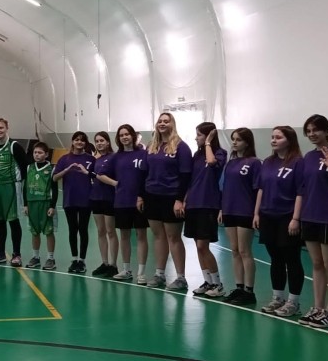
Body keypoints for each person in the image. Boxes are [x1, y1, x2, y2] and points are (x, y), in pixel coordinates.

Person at [254, 126, 304, 317]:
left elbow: (300, 192)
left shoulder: (298, 162)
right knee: (275, 259)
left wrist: (295, 218)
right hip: (268, 216)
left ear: (289, 140)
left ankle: (293, 302)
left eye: (278, 137)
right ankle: (278, 298)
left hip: (287, 217)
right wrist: (257, 213)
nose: (273, 140)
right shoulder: (268, 162)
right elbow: (261, 189)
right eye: (272, 137)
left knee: (292, 259)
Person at [139, 112, 193, 290]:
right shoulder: (152, 146)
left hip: (171, 197)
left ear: (172, 124)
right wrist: (141, 195)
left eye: (166, 121)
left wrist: (180, 199)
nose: (162, 124)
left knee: (173, 237)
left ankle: (181, 278)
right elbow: (144, 173)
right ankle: (159, 274)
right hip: (152, 196)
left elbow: (186, 175)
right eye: (160, 121)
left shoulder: (181, 147)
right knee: (158, 236)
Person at [298, 114, 328, 328]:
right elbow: (303, 187)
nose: (312, 134)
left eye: (316, 129)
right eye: (308, 131)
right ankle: (317, 307)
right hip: (309, 216)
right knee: (316, 264)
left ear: (326, 130)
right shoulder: (308, 157)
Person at [94, 125, 148, 282]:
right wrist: (116, 184)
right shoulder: (116, 157)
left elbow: (148, 175)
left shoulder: (143, 154)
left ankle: (141, 272)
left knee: (141, 235)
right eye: (121, 135)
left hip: (139, 202)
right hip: (121, 202)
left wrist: (142, 195)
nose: (124, 137)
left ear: (132, 136)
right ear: (118, 138)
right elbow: (100, 174)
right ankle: (126, 270)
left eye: (127, 134)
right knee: (124, 236)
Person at [184, 123, 228, 297]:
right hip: (193, 204)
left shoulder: (219, 153)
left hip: (208, 204)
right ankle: (208, 281)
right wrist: (185, 200)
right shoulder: (197, 155)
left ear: (209, 136)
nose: (196, 138)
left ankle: (218, 284)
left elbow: (211, 163)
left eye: (199, 135)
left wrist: (208, 143)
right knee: (198, 246)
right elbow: (191, 180)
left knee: (203, 245)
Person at [218, 128, 260, 305]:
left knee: (244, 250)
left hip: (245, 211)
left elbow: (258, 190)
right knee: (234, 250)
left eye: (239, 140)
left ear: (247, 142)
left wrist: (256, 213)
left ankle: (249, 291)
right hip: (229, 210)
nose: (234, 142)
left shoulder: (255, 163)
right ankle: (239, 287)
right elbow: (226, 188)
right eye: (233, 139)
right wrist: (221, 209)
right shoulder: (230, 163)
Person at [0, 118, 27, 266]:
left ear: (7, 128)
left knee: (13, 221)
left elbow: (24, 167)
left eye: (1, 128)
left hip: (11, 187)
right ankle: (0, 253)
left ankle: (17, 254)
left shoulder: (14, 146)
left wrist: (19, 184)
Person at [53, 131, 96, 273]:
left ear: (85, 143)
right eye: (77, 139)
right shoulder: (64, 159)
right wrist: (67, 170)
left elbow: (96, 177)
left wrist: (86, 172)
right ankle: (74, 259)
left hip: (86, 199)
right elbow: (55, 178)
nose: (79, 142)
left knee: (83, 229)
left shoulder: (91, 159)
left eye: (82, 140)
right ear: (72, 141)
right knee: (72, 229)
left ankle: (82, 261)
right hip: (70, 199)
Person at [87, 132, 118, 278]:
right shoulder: (96, 160)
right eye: (97, 141)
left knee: (111, 231)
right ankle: (104, 263)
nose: (99, 143)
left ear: (108, 142)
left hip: (109, 198)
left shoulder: (114, 157)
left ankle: (113, 265)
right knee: (100, 231)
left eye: (102, 140)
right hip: (96, 198)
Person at [24, 142, 59, 270]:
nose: (37, 155)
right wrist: (25, 204)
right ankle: (36, 257)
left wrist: (52, 206)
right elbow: (25, 187)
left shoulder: (51, 169)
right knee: (34, 232)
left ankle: (50, 258)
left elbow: (54, 189)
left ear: (46, 154)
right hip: (32, 203)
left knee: (49, 232)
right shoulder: (29, 168)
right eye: (35, 152)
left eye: (40, 152)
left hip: (46, 203)